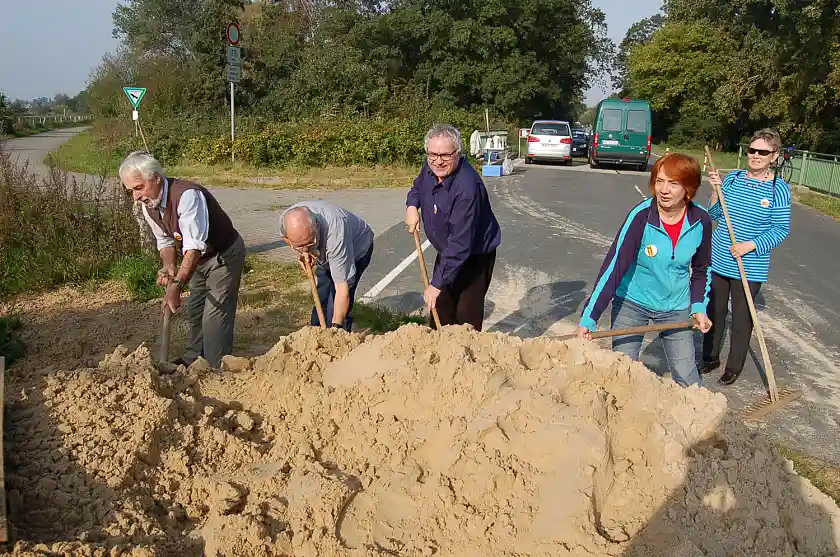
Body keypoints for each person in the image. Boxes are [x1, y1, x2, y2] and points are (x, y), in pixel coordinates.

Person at [576, 153, 714, 388]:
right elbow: (614, 268)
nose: (664, 190)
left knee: (688, 377)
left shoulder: (701, 220)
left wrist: (699, 307)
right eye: (659, 181)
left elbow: (701, 270)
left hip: (675, 307)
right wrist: (589, 317)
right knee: (622, 373)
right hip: (632, 303)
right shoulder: (641, 217)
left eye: (673, 183)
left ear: (688, 188)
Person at [119, 151, 246, 368]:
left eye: (138, 188)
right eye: (130, 191)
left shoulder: (187, 196)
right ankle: (192, 360)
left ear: (156, 178)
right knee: (196, 309)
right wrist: (169, 266)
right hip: (198, 261)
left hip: (223, 255)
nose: (136, 196)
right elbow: (165, 241)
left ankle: (217, 367)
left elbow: (194, 247)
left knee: (214, 317)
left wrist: (177, 285)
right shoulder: (148, 205)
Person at [702, 129, 792, 385]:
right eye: (752, 150)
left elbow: (780, 230)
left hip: (749, 265)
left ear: (773, 156)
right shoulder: (732, 179)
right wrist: (714, 192)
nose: (755, 155)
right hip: (720, 257)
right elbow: (716, 214)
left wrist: (750, 245)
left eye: (762, 152)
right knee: (715, 310)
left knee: (742, 319)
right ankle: (710, 357)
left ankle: (733, 367)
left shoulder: (779, 189)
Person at [405, 123, 502, 331]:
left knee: (465, 319)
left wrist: (436, 283)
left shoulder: (467, 189)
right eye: (432, 154)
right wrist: (412, 205)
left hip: (474, 256)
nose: (438, 161)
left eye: (445, 155)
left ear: (457, 153)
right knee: (440, 310)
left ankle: (463, 359)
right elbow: (417, 186)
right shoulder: (430, 166)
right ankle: (439, 357)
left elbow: (461, 244)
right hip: (448, 250)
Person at [279, 201, 374, 331]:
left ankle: (340, 340)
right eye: (299, 246)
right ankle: (316, 333)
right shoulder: (286, 225)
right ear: (287, 239)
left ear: (317, 226)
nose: (305, 249)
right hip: (325, 253)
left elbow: (342, 288)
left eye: (309, 242)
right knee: (322, 295)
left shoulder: (335, 233)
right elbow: (303, 245)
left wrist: (335, 328)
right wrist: (304, 253)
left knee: (335, 309)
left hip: (356, 249)